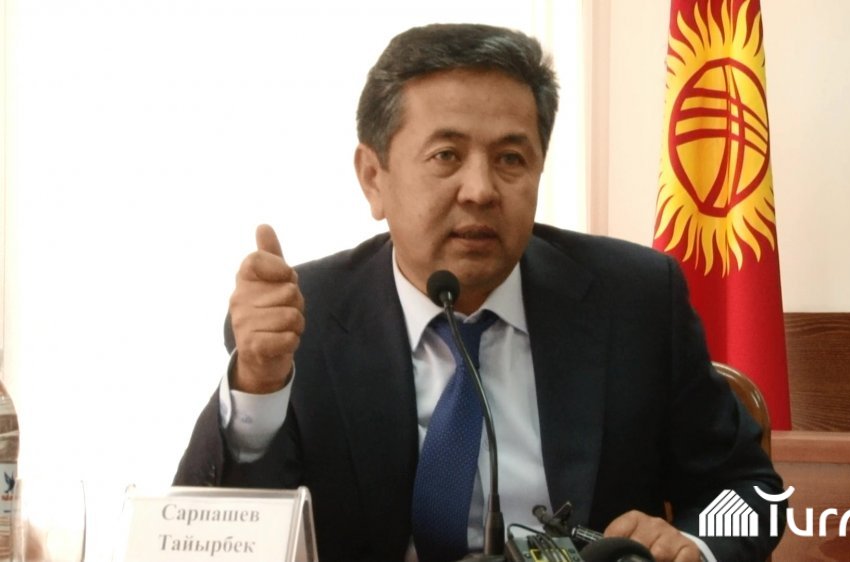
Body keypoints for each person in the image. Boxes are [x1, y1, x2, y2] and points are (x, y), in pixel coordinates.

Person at [175, 23, 785, 562]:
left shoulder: (635, 300)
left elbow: (750, 492)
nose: (480, 190)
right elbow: (213, 531)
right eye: (446, 155)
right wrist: (258, 385)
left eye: (511, 159)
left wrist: (695, 546)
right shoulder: (304, 316)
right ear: (373, 178)